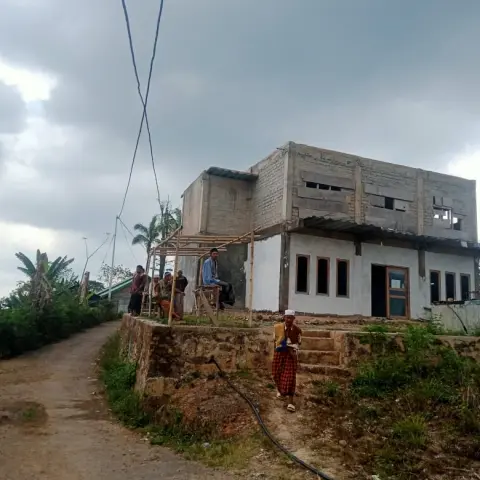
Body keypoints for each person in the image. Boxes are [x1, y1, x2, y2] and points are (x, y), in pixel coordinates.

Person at [272, 310, 302, 412]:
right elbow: (275, 341)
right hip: (279, 354)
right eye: (287, 317)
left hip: (290, 355)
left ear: (294, 319)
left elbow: (298, 344)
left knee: (290, 377)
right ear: (284, 317)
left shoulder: (297, 330)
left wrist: (289, 348)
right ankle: (281, 391)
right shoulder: (277, 328)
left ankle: (290, 402)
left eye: (291, 318)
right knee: (276, 374)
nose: (289, 320)